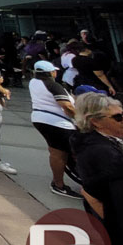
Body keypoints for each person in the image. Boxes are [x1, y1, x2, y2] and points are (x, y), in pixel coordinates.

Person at [71, 92, 123, 245]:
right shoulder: (104, 154)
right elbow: (96, 196)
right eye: (118, 117)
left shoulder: (102, 145)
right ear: (95, 122)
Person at [29, 60, 83, 198]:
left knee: (56, 151)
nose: (56, 72)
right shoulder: (53, 85)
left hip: (40, 118)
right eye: (54, 70)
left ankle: (59, 183)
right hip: (57, 123)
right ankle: (59, 185)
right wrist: (80, 120)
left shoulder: (33, 82)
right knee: (59, 153)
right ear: (51, 72)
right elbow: (67, 106)